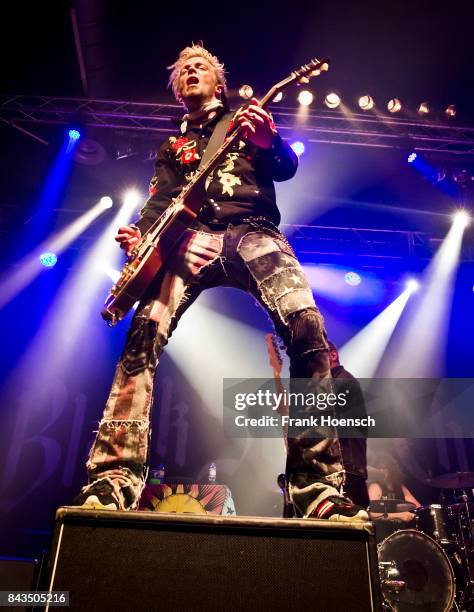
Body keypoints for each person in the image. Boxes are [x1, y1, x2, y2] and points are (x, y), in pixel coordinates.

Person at [72, 44, 368, 522]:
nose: (191, 70)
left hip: (254, 231)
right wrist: (140, 236)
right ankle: (113, 478)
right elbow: (159, 200)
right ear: (176, 88)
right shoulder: (173, 146)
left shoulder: (246, 118)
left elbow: (286, 167)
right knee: (142, 335)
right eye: (183, 69)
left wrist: (270, 140)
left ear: (218, 81)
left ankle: (317, 486)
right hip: (187, 238)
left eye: (200, 66)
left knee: (307, 329)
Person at [327, 340, 370, 509]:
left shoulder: (343, 381)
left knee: (352, 524)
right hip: (346, 469)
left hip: (348, 469)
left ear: (333, 355)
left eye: (318, 359)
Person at [368, 454, 421, 522]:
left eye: (384, 468)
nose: (381, 471)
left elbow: (419, 508)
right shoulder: (375, 487)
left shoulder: (400, 488)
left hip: (402, 529)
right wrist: (399, 515)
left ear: (391, 469)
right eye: (378, 468)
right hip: (383, 529)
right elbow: (370, 514)